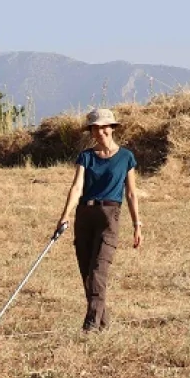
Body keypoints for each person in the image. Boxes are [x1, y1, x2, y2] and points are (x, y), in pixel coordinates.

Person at [56, 108, 142, 332]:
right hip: (84, 215)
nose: (101, 131)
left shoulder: (126, 157)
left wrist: (137, 225)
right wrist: (65, 215)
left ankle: (91, 325)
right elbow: (77, 187)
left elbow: (131, 193)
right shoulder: (86, 156)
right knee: (87, 274)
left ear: (112, 128)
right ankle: (103, 322)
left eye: (105, 127)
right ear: (91, 131)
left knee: (98, 271)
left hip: (109, 216)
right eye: (96, 128)